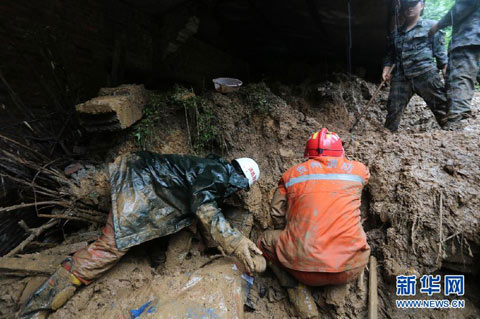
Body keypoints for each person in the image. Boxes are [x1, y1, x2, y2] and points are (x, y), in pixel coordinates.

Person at [20, 151, 264, 319]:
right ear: (238, 180)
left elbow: (196, 210)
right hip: (138, 180)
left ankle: (163, 268)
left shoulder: (211, 169)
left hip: (143, 175)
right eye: (240, 187)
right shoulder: (217, 174)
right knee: (110, 249)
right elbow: (204, 208)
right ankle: (40, 304)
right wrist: (236, 241)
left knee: (181, 225)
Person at [257, 129, 370, 319]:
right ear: (341, 152)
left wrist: (288, 230)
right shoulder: (359, 170)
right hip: (351, 267)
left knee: (263, 240)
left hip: (302, 269)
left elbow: (276, 213)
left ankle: (294, 286)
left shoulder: (291, 175)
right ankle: (337, 289)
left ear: (307, 154)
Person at [382, 0, 448, 132]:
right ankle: (387, 139)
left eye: (413, 4)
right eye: (406, 5)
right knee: (393, 112)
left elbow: (441, 54)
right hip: (401, 78)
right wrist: (386, 69)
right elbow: (390, 55)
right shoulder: (396, 33)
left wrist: (446, 70)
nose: (409, 8)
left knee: (443, 109)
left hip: (426, 75)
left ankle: (455, 135)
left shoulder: (431, 26)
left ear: (422, 5)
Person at [429, 0, 480, 130]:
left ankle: (454, 130)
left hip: (469, 40)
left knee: (459, 81)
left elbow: (462, 7)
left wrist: (438, 25)